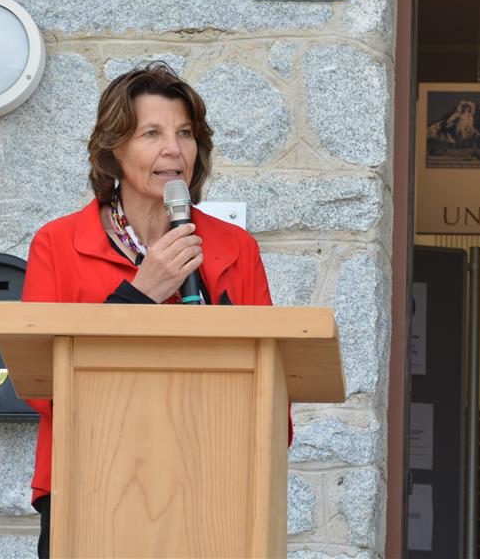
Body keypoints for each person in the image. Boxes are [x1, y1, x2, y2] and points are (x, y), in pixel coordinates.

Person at [21, 63, 287, 558]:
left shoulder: (235, 248)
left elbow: (275, 393)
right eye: (152, 133)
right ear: (113, 149)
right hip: (89, 485)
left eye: (185, 133)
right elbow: (43, 389)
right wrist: (140, 294)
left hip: (215, 492)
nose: (174, 149)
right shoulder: (58, 244)